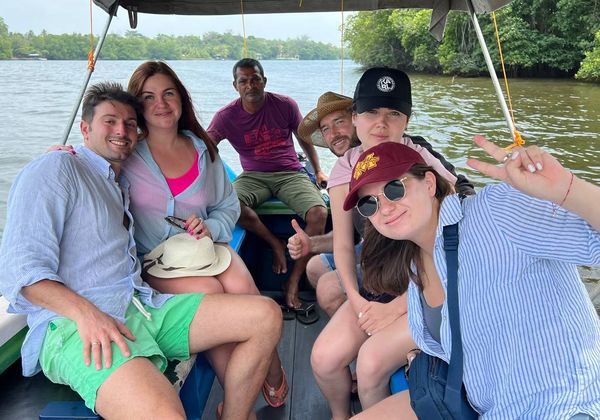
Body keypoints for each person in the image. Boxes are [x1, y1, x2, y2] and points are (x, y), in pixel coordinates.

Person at [0, 82, 282, 419]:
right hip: (76, 326)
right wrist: (86, 314)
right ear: (85, 129)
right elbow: (20, 272)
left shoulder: (116, 181)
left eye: (130, 124)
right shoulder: (57, 169)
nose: (121, 130)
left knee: (265, 315)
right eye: (109, 121)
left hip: (142, 307)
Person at [347, 138, 600, 419]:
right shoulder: (414, 264)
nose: (384, 208)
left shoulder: (495, 212)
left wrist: (567, 190)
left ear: (429, 183)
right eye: (369, 204)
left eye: (394, 189)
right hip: (488, 410)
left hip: (562, 406)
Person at [310, 67, 475, 420]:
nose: (381, 123)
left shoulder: (420, 163)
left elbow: (456, 234)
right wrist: (357, 302)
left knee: (369, 363)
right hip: (380, 282)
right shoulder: (345, 170)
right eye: (371, 112)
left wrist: (399, 309)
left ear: (407, 121)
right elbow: (343, 246)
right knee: (323, 358)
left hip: (427, 289)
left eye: (394, 113)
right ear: (355, 118)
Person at [289, 90, 474, 317]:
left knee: (329, 289)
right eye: (326, 129)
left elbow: (458, 187)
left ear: (357, 119)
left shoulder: (405, 150)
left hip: (408, 252)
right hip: (373, 246)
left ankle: (380, 323)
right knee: (314, 267)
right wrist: (312, 243)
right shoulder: (344, 170)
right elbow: (348, 237)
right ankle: (366, 321)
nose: (334, 133)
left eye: (339, 122)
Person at [207, 58, 328, 310]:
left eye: (255, 79)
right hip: (254, 175)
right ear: (235, 86)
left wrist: (317, 170)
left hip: (290, 172)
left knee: (319, 213)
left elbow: (304, 138)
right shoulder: (226, 116)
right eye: (243, 81)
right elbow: (205, 147)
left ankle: (294, 281)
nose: (250, 85)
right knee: (230, 205)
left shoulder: (285, 105)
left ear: (264, 81)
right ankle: (275, 243)